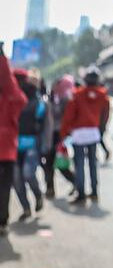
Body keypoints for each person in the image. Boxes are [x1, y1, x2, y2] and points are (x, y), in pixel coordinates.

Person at [60, 66, 110, 204]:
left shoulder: (76, 94)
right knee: (93, 163)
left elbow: (69, 116)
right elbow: (105, 115)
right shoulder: (103, 95)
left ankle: (81, 194)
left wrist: (63, 133)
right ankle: (94, 192)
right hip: (93, 133)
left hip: (79, 134)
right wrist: (101, 129)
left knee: (80, 164)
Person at [0, 42, 27, 236]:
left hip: (6, 150)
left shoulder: (11, 99)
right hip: (6, 150)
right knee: (4, 188)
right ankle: (2, 221)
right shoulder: (12, 99)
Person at [13, 69, 46, 219]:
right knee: (17, 180)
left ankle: (38, 196)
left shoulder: (40, 102)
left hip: (32, 143)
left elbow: (45, 125)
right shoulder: (13, 98)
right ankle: (26, 208)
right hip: (14, 144)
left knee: (28, 174)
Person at [42, 75, 77, 197]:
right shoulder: (48, 99)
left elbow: (66, 117)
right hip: (49, 134)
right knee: (48, 163)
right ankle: (50, 188)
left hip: (60, 135)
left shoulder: (66, 100)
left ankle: (76, 182)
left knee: (60, 164)